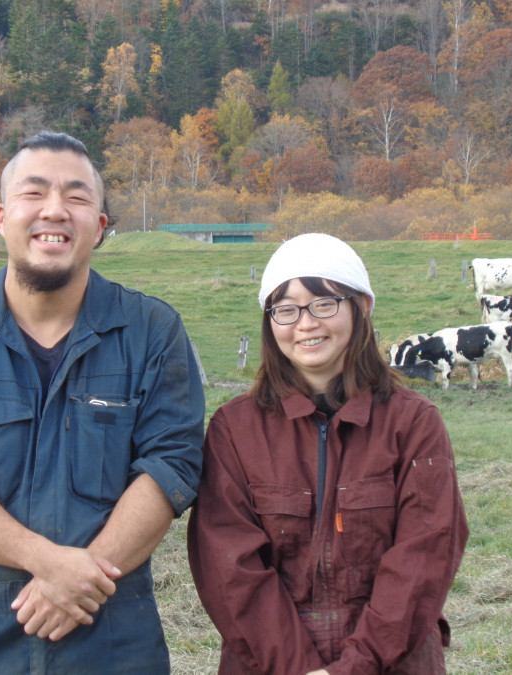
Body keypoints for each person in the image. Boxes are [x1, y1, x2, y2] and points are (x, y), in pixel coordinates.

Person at [0, 131, 205, 674]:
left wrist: (83, 578)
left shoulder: (153, 332)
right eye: (34, 193)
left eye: (77, 197)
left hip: (113, 641)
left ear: (99, 226)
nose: (55, 210)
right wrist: (50, 565)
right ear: (1, 217)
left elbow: (170, 465)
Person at [187, 233, 469, 674]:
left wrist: (355, 666)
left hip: (391, 662)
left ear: (362, 307)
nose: (305, 324)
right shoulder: (234, 430)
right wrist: (298, 666)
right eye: (286, 309)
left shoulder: (414, 423)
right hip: (269, 664)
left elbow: (424, 558)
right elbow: (229, 568)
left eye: (324, 304)